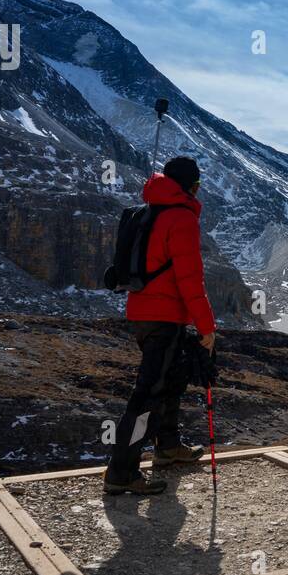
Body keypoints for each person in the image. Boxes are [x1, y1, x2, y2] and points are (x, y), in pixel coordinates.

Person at [103, 156, 215, 495]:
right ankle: (122, 471)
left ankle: (167, 446)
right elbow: (189, 278)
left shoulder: (148, 212)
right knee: (147, 396)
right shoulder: (180, 217)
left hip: (145, 313)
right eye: (196, 184)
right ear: (189, 185)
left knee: (171, 381)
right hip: (164, 317)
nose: (198, 190)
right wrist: (206, 325)